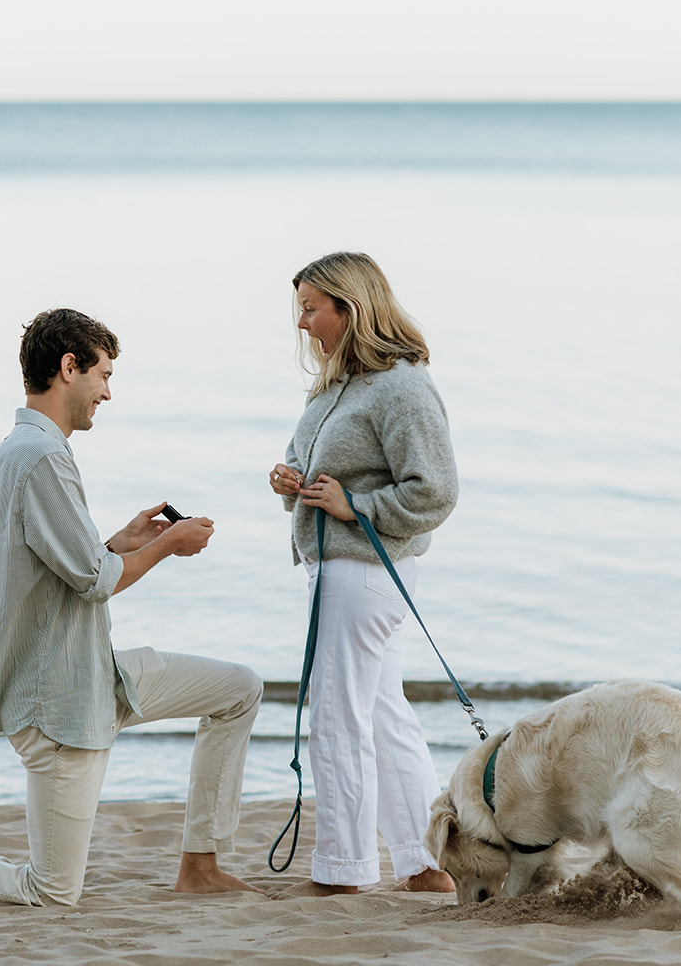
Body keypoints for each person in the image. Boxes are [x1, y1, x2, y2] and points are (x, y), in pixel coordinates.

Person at [0, 307, 264, 907]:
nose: (108, 393)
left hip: (97, 675)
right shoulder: (40, 458)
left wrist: (119, 542)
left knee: (238, 687)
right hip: (59, 702)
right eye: (103, 376)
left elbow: (58, 566)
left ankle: (200, 863)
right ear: (69, 368)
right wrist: (169, 544)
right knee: (52, 892)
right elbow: (93, 581)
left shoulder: (16, 452)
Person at [267, 252, 459, 897]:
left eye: (311, 308)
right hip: (340, 570)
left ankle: (343, 871)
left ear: (350, 309)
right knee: (382, 714)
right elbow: (307, 456)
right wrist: (288, 478)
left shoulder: (402, 386)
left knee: (339, 717)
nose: (302, 322)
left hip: (360, 570)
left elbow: (435, 490)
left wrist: (359, 506)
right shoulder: (337, 385)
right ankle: (427, 864)